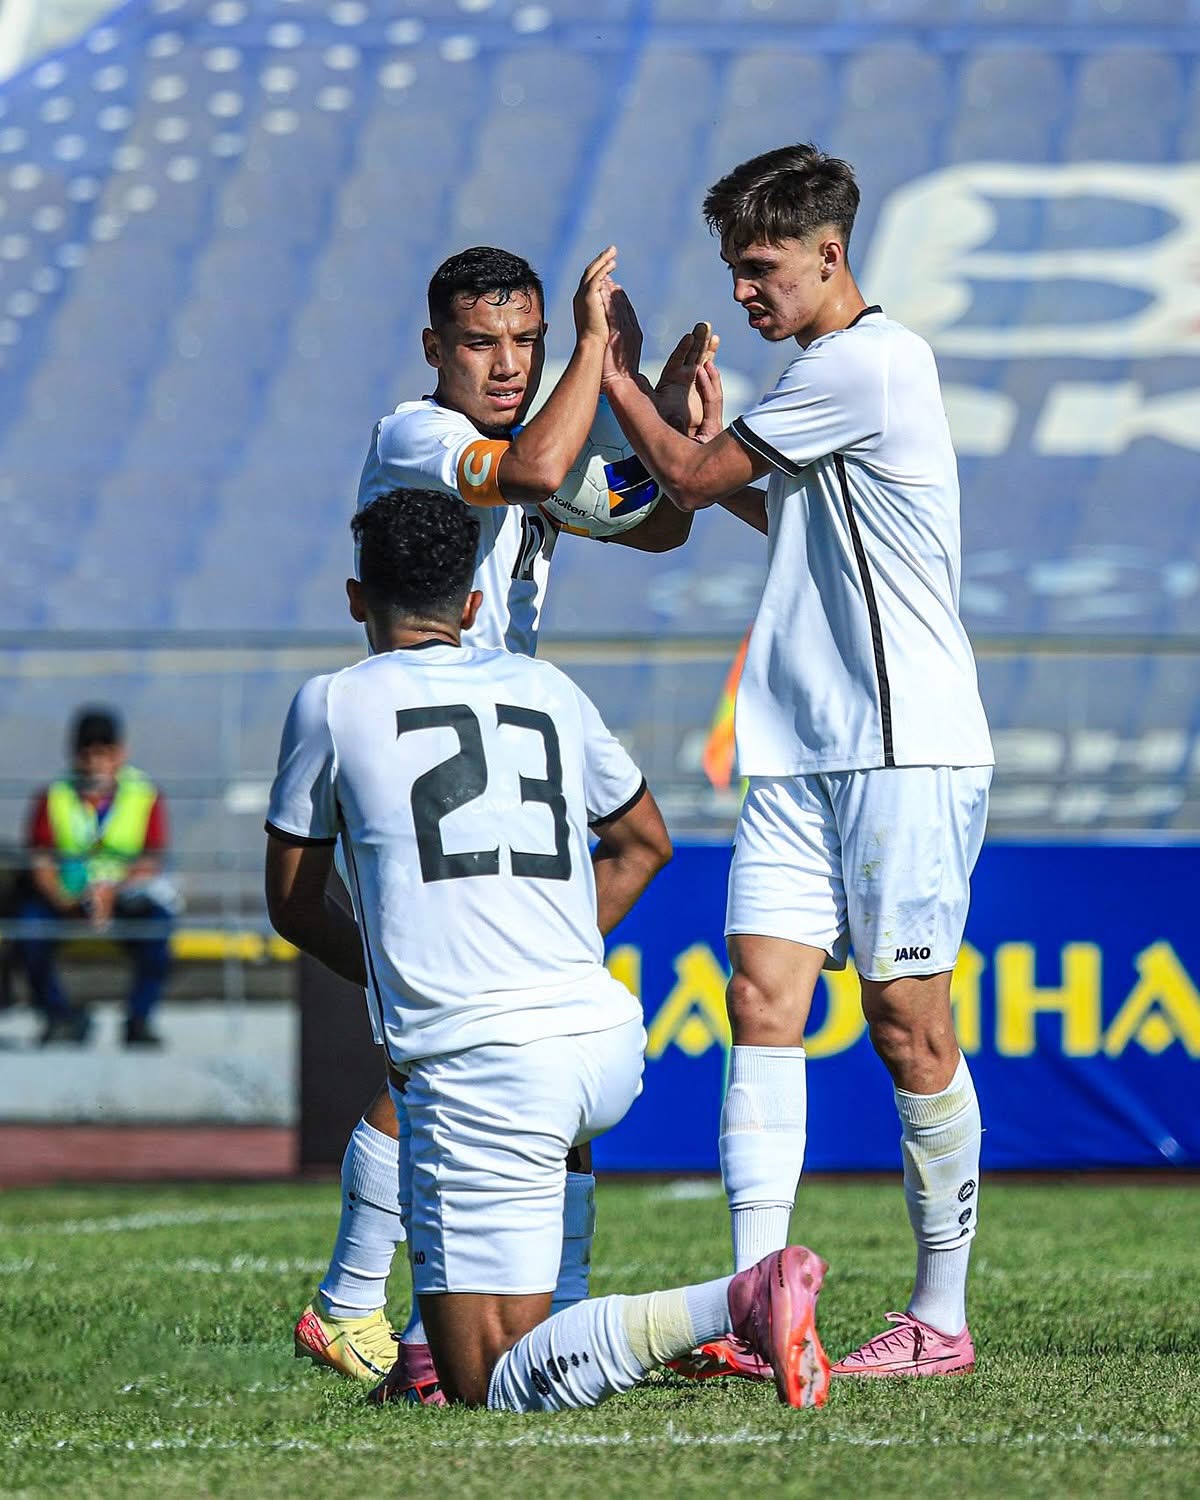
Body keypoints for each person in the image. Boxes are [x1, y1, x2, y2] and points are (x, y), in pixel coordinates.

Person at [266, 488, 829, 1412]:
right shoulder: (548, 688)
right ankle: (526, 1322)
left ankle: (737, 1300)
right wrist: (539, 947)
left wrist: (409, 966)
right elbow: (643, 843)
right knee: (487, 1347)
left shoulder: (332, 701)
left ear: (357, 598)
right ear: (472, 605)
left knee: (486, 1383)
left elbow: (292, 903)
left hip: (489, 1065)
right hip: (601, 1037)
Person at [293, 244, 720, 1398]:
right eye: (483, 343)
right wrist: (595, 352)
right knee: (472, 1047)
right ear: (434, 347)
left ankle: (527, 1322)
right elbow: (534, 468)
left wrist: (652, 413)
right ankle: (350, 1298)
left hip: (504, 749)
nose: (507, 363)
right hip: (426, 756)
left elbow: (653, 523)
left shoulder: (535, 442)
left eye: (525, 342)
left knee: (533, 1049)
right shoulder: (419, 437)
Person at [597, 143, 994, 1380]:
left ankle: (940, 1319)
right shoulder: (826, 376)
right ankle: (753, 1303)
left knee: (907, 1025)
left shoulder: (867, 362)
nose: (744, 289)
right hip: (803, 751)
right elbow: (776, 510)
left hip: (901, 749)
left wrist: (613, 375)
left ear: (830, 255)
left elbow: (683, 477)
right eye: (734, 266)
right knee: (761, 999)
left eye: (760, 266)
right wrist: (704, 449)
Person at [15, 705, 176, 1047]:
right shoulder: (53, 796)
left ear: (120, 753)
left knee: (159, 924)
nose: (95, 763)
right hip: (65, 898)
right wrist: (66, 900)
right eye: (87, 754)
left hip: (123, 897)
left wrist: (110, 894)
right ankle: (60, 1016)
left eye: (104, 753)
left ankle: (139, 1019)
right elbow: (41, 859)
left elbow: (150, 859)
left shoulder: (143, 793)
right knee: (28, 928)